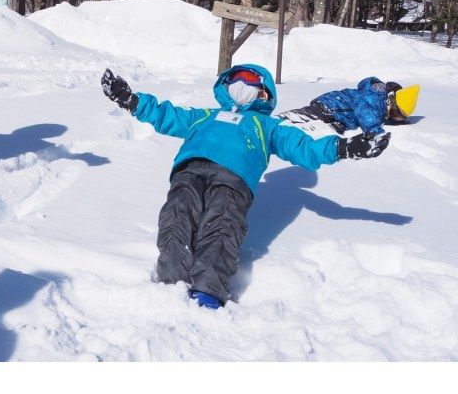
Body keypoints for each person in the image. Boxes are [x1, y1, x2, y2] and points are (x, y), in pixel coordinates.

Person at [101, 64, 391, 310]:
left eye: (253, 82)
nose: (244, 86)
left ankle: (208, 290)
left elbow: (303, 147)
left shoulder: (268, 126)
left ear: (264, 93)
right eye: (238, 80)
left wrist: (344, 147)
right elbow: (166, 114)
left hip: (234, 178)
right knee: (177, 217)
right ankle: (170, 282)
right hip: (189, 170)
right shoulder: (204, 115)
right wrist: (130, 99)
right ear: (226, 86)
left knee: (222, 224)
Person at [277, 78, 420, 135]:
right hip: (331, 107)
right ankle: (279, 121)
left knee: (326, 127)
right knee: (304, 116)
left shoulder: (378, 100)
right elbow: (367, 118)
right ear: (391, 102)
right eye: (395, 114)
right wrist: (376, 133)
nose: (393, 118)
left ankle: (303, 127)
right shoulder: (373, 98)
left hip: (337, 113)